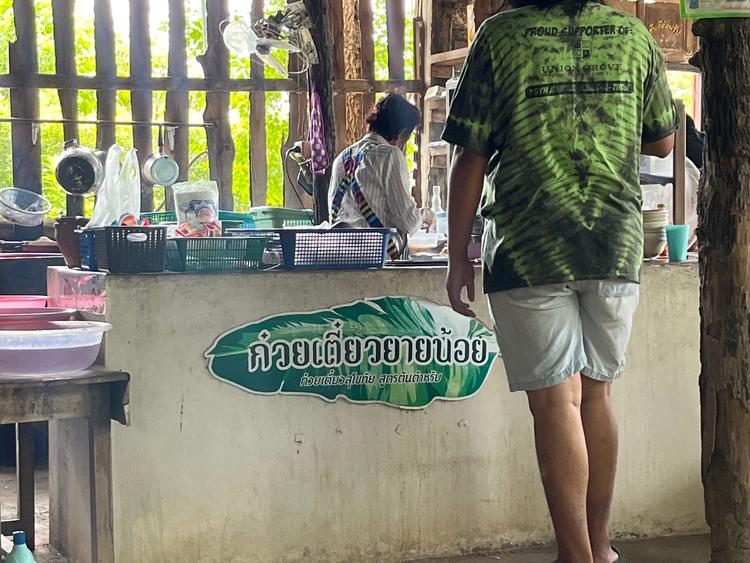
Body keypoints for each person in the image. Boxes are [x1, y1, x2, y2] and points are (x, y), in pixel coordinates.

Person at [442, 1, 677, 562]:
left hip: (529, 245)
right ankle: (600, 549)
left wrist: (457, 258)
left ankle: (577, 557)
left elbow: (469, 155)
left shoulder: (499, 36)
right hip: (614, 243)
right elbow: (663, 139)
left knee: (556, 406)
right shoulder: (631, 34)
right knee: (596, 394)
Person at [329, 94, 430, 258]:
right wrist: (424, 215)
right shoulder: (390, 155)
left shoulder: (341, 159)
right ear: (402, 133)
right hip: (376, 258)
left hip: (340, 255)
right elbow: (408, 221)